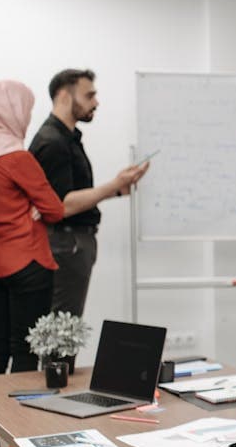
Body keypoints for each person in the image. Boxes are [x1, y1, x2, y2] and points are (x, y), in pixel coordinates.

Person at [0, 80, 65, 376]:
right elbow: (55, 210)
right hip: (26, 262)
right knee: (25, 349)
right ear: (13, 113)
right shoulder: (17, 158)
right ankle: (16, 423)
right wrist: (35, 208)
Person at [29, 68, 149, 316]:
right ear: (64, 96)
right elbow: (61, 205)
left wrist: (116, 190)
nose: (96, 102)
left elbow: (70, 195)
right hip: (65, 244)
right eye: (89, 95)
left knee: (63, 329)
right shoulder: (53, 142)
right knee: (61, 331)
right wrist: (113, 185)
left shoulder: (66, 138)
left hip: (69, 244)